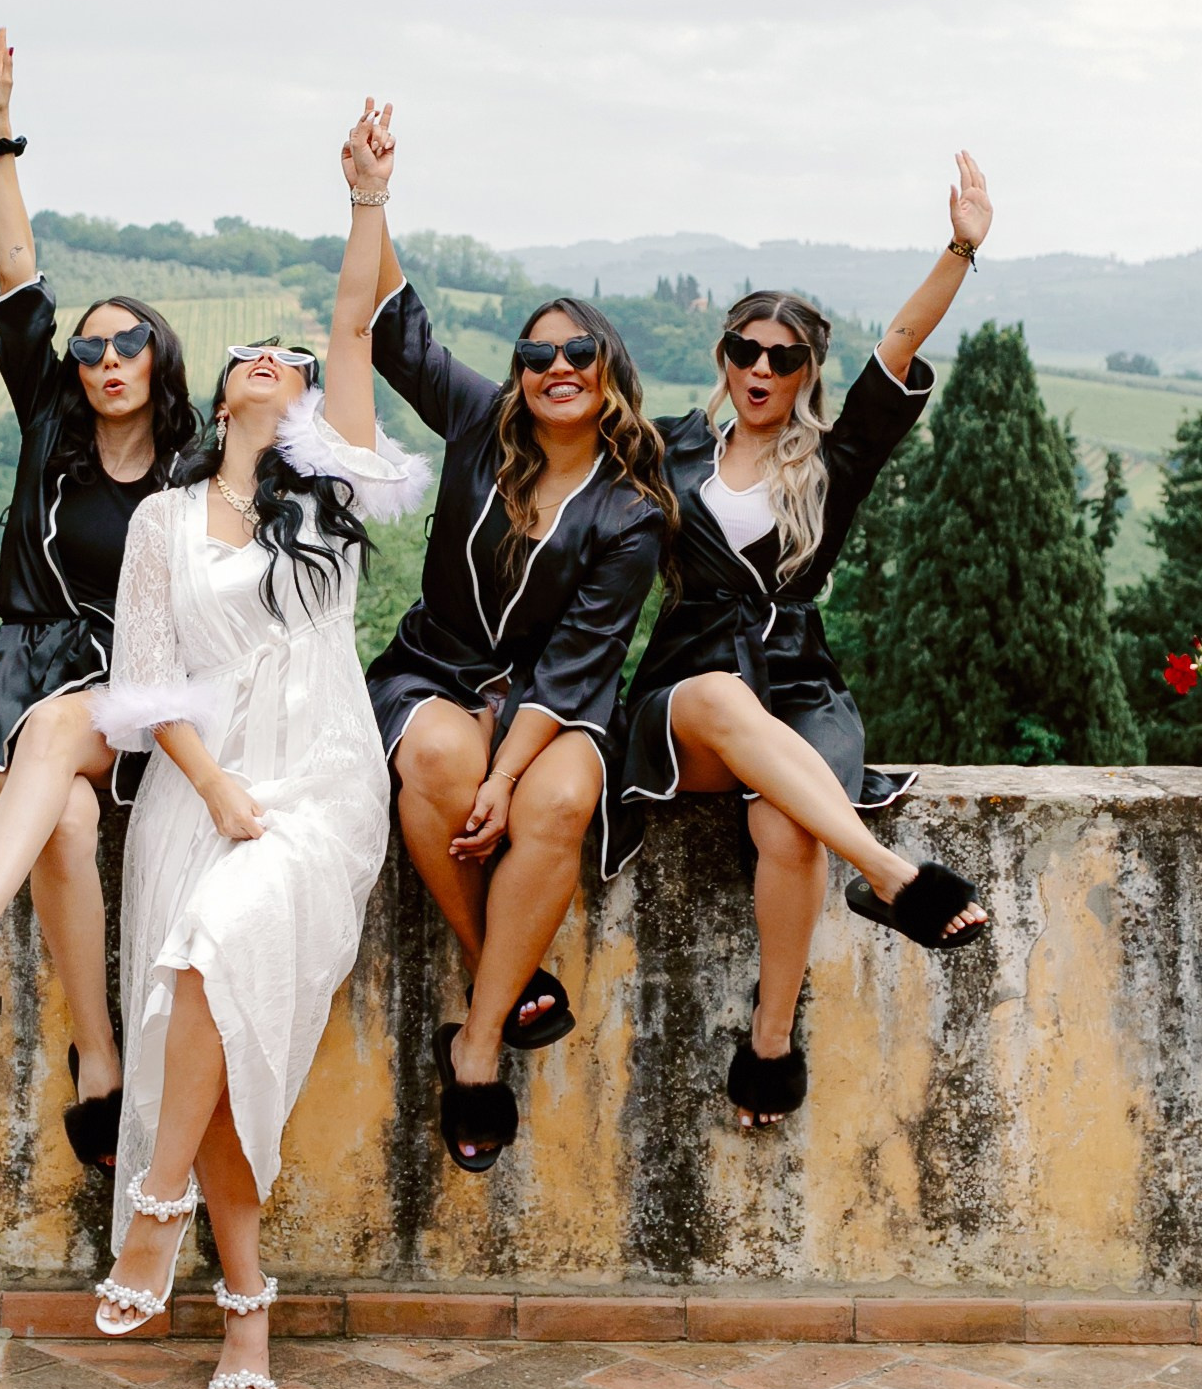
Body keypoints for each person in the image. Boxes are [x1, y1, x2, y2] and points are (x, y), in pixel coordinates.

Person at [87, 100, 426, 1389]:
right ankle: (246, 1316)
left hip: (322, 790)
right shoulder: (165, 523)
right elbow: (145, 689)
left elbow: (352, 324)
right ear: (223, 393)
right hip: (200, 795)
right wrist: (216, 787)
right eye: (253, 355)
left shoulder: (326, 502)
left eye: (288, 360)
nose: (274, 361)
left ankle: (154, 1208)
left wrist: (365, 203)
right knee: (203, 1022)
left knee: (207, 960)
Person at [0, 29, 197, 1176]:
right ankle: (97, 1060)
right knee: (56, 809)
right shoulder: (52, 432)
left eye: (129, 344)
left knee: (59, 749)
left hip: (149, 695)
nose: (106, 357)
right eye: (94, 345)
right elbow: (20, 288)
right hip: (41, 666)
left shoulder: (195, 474)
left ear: (160, 362)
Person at [619, 155, 997, 1128]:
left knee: (787, 825)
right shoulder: (667, 450)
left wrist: (958, 245)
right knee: (710, 697)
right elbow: (550, 438)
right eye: (744, 350)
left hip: (798, 683)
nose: (759, 370)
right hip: (688, 684)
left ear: (805, 371)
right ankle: (888, 874)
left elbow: (902, 341)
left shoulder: (837, 457)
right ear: (723, 356)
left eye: (781, 358)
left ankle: (771, 1040)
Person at [361, 210, 676, 1176]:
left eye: (578, 349)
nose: (556, 366)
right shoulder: (477, 421)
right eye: (536, 354)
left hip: (556, 695)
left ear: (608, 367)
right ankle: (507, 979)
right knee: (436, 758)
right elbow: (395, 334)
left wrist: (509, 774)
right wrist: (372, 198)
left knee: (561, 798)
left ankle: (477, 1040)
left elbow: (584, 658)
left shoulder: (633, 512)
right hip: (437, 668)